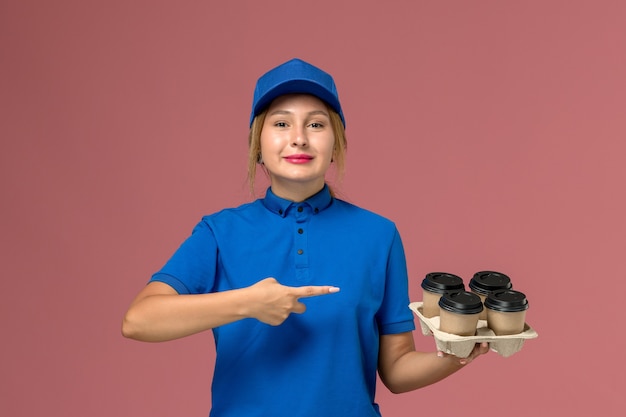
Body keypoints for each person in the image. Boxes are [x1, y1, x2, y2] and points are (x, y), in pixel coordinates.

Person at [122, 58, 489, 417]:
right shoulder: (219, 232)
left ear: (335, 144)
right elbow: (139, 320)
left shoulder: (379, 235)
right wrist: (248, 303)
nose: (298, 138)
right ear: (258, 145)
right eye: (281, 123)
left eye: (316, 125)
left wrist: (460, 353)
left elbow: (396, 370)